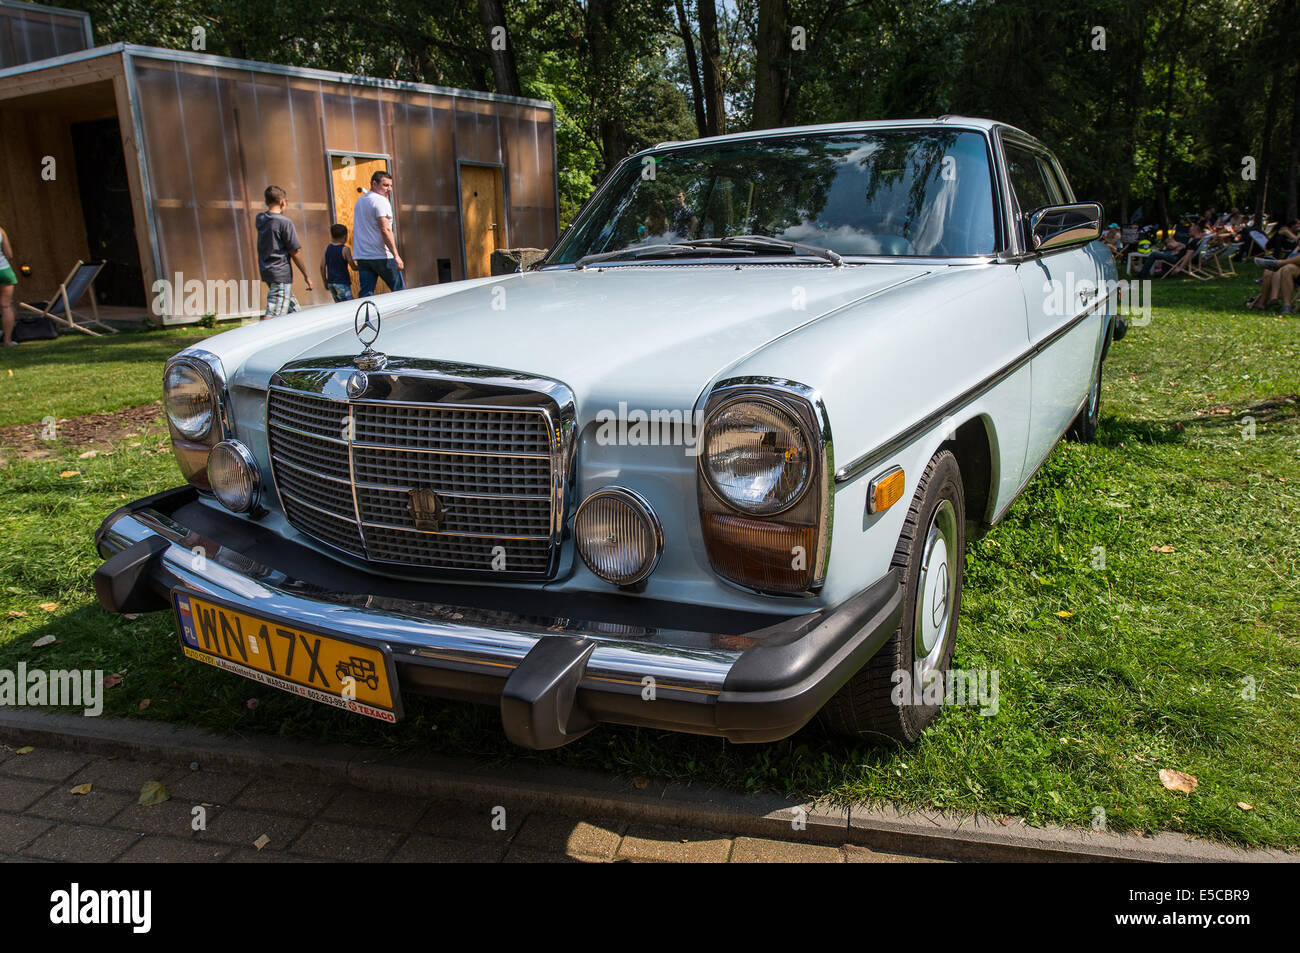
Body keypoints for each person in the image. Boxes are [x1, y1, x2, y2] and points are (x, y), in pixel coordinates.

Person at [256, 186, 312, 319]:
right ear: (282, 202)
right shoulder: (284, 222)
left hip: (267, 271)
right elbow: (294, 252)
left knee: (294, 312)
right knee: (274, 316)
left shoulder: (260, 219)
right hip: (280, 273)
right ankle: (262, 337)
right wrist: (306, 275)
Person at [352, 170, 404, 295]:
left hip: (363, 256)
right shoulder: (381, 201)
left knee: (366, 293)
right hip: (382, 255)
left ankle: (365, 315)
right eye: (385, 185)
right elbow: (385, 229)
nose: (389, 189)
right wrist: (396, 255)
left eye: (391, 186)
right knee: (400, 292)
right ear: (374, 184)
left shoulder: (360, 201)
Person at [319, 223, 356, 302]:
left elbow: (322, 266)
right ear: (345, 236)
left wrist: (325, 281)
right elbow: (352, 266)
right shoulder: (345, 249)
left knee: (338, 305)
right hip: (342, 282)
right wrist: (359, 267)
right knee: (349, 304)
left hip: (331, 283)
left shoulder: (327, 248)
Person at [0, 225, 16, 347]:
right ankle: (8, 340)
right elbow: (9, 254)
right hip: (5, 271)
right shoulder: (1, 230)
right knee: (6, 305)